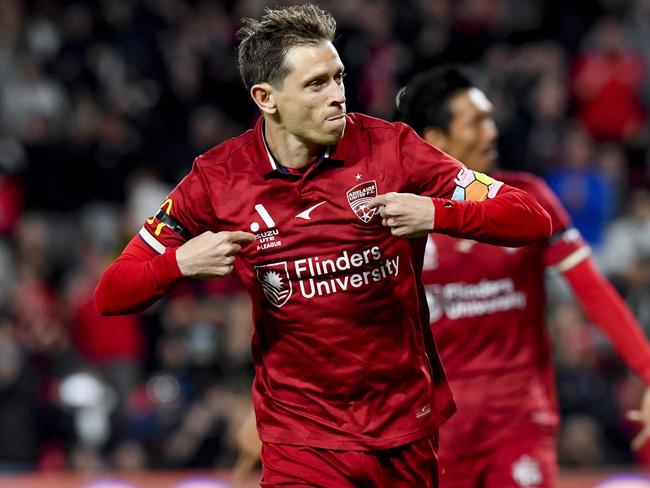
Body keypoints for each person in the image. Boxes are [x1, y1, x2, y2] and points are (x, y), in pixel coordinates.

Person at [94, 6, 552, 486]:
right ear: (266, 98)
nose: (337, 97)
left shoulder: (392, 148)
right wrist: (179, 263)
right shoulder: (217, 179)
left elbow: (528, 218)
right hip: (301, 439)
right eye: (316, 84)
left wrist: (438, 213)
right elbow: (112, 291)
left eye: (339, 78)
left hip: (403, 428)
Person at [398, 65, 650, 488]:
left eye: (491, 118)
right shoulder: (403, 216)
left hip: (519, 423)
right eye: (476, 122)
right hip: (437, 430)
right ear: (435, 140)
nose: (492, 132)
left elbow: (594, 291)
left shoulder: (530, 200)